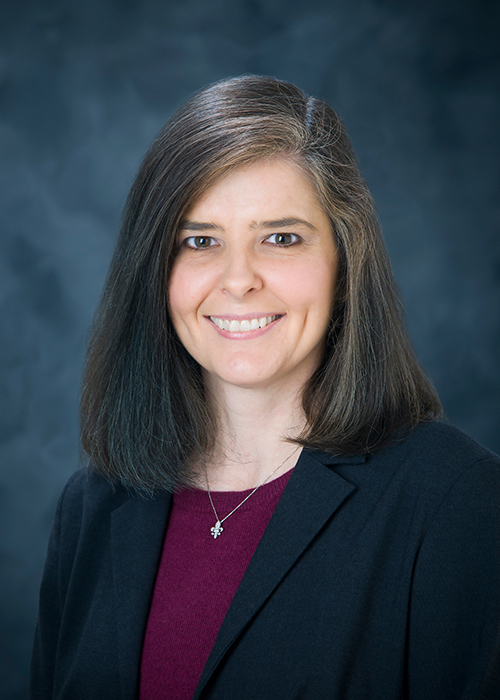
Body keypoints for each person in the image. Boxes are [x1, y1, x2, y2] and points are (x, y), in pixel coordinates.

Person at [31, 75, 500, 700]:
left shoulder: (456, 502)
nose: (238, 279)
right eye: (200, 241)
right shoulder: (92, 507)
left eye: (280, 238)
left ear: (344, 259)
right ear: (155, 271)